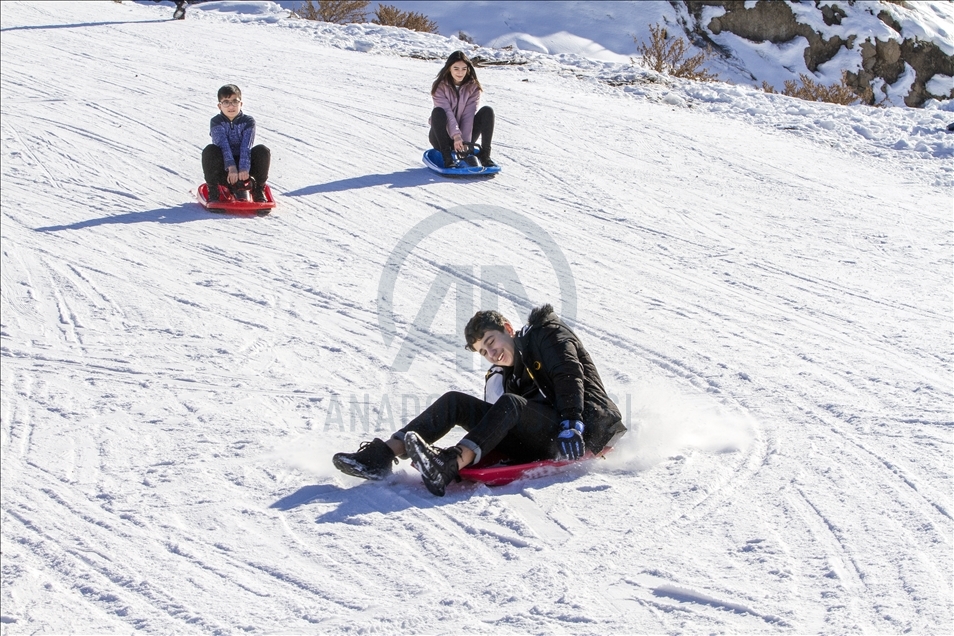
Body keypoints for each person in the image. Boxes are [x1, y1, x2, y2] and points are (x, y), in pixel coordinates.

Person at [333, 304, 627, 496]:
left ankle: (449, 465)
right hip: (543, 436)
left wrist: (572, 422)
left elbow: (568, 374)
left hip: (583, 430)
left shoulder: (546, 334)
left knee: (511, 402)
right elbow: (503, 419)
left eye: (491, 342)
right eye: (483, 352)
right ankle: (382, 456)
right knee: (455, 401)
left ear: (508, 329)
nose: (491, 353)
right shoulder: (508, 374)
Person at [201, 84, 271, 203]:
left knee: (262, 151)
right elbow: (223, 145)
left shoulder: (248, 121)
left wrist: (244, 168)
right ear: (219, 106)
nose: (231, 106)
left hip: (245, 167)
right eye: (226, 102)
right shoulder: (216, 122)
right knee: (210, 150)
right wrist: (231, 167)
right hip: (224, 167)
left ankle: (259, 189)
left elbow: (246, 146)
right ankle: (213, 189)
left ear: (241, 104)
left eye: (235, 101)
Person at [428, 50, 497, 169]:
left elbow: (468, 115)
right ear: (449, 68)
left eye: (464, 69)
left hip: (464, 135)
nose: (460, 72)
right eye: (456, 68)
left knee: (487, 111)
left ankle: (485, 156)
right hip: (442, 136)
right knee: (438, 112)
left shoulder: (473, 87)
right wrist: (456, 136)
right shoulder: (440, 86)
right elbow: (448, 113)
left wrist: (465, 142)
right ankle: (447, 157)